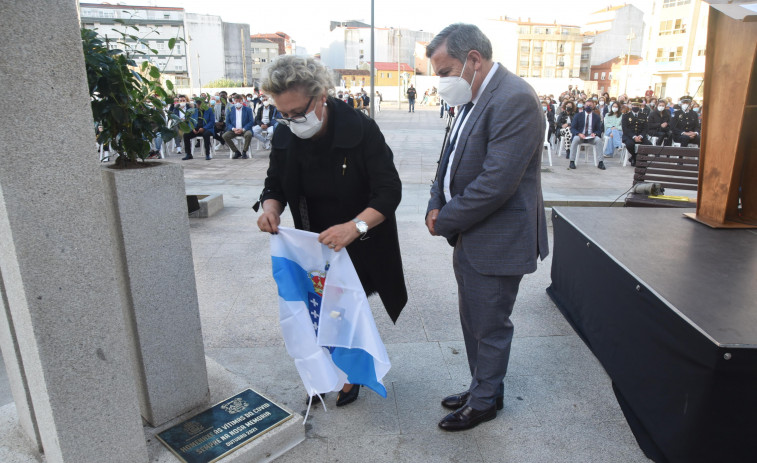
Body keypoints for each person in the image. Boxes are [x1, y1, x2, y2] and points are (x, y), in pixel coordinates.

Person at [256, 55, 407, 407]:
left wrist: (354, 227)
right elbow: (274, 184)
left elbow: (389, 191)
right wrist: (270, 209)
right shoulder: (286, 132)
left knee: (344, 310)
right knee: (316, 307)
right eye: (284, 113)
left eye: (298, 112)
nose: (293, 121)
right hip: (311, 241)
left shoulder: (359, 129)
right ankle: (328, 372)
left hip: (360, 236)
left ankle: (349, 375)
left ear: (321, 95)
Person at [424, 23, 549, 432]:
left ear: (473, 60)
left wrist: (446, 219)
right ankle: (483, 386)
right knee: (473, 318)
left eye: (444, 72)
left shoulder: (514, 98)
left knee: (491, 324)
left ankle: (485, 403)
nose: (441, 82)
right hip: (472, 233)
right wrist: (434, 201)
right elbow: (451, 157)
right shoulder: (473, 95)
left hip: (497, 237)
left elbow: (497, 183)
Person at [569, 99, 605, 170]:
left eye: (590, 105)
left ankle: (601, 162)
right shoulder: (578, 116)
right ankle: (572, 161)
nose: (588, 107)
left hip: (591, 137)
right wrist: (579, 134)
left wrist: (595, 133)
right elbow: (572, 128)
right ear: (584, 106)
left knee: (598, 140)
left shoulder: (596, 117)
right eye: (587, 105)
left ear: (593, 106)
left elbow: (600, 129)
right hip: (580, 136)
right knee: (575, 139)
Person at [223, 94, 254, 159]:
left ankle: (244, 152)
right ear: (234, 101)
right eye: (236, 101)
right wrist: (233, 129)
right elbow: (227, 122)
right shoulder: (230, 110)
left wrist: (243, 129)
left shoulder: (248, 110)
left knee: (249, 134)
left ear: (242, 101)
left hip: (244, 129)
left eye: (239, 101)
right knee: (225, 136)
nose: (238, 103)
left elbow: (251, 121)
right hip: (234, 130)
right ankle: (236, 152)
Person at [621, 98, 651, 166]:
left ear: (640, 106)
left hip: (641, 136)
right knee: (629, 144)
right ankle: (635, 157)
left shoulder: (643, 115)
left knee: (649, 144)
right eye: (634, 105)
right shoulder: (626, 116)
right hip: (629, 136)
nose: (635, 107)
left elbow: (646, 128)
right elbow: (625, 129)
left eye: (637, 105)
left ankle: (639, 158)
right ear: (631, 106)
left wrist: (641, 136)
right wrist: (634, 137)